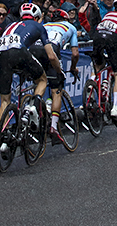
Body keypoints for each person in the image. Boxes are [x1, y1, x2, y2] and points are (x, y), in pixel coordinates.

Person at [0, 3, 64, 153]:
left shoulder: (11, 25)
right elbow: (51, 56)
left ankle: (4, 136)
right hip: (19, 52)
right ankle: (33, 106)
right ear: (37, 18)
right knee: (42, 80)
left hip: (1, 56)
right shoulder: (39, 26)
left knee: (5, 101)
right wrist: (59, 70)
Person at [37, 9, 80, 146]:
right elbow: (75, 54)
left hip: (35, 48)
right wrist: (73, 68)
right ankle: (53, 127)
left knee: (40, 81)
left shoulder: (44, 25)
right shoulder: (71, 27)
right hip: (52, 49)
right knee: (57, 89)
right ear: (66, 19)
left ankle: (36, 108)